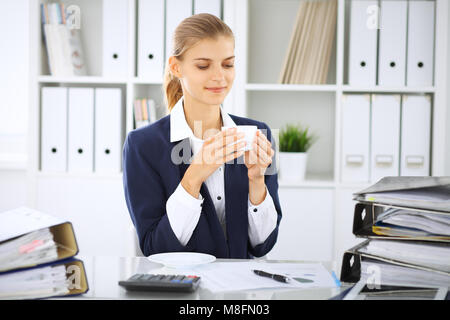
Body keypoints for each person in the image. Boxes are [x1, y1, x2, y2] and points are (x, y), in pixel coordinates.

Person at [123, 13, 282, 259]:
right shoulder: (143, 145)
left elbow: (263, 245)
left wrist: (257, 180)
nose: (219, 76)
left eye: (228, 64)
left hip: (239, 291)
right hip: (179, 291)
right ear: (176, 67)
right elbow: (155, 248)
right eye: (203, 66)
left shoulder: (257, 134)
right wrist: (194, 176)